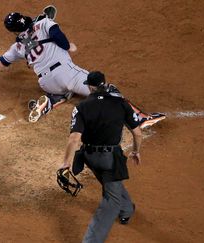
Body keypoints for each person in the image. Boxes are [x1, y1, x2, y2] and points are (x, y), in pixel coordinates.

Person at [0, 10, 165, 128]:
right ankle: (140, 118)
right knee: (106, 89)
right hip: (67, 72)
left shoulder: (17, 46)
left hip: (45, 81)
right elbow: (60, 39)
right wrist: (68, 45)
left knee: (66, 92)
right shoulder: (44, 23)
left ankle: (50, 101)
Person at [59, 71, 142, 242]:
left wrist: (65, 164)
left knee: (112, 182)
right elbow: (137, 133)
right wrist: (135, 151)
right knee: (111, 201)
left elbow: (74, 139)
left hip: (88, 157)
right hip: (109, 159)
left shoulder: (81, 107)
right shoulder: (121, 103)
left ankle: (126, 210)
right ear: (105, 83)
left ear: (90, 86)